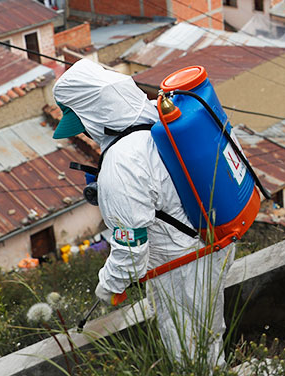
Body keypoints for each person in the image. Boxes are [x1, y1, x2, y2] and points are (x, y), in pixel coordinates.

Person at [52, 58, 233, 366]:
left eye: (82, 123)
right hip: (212, 243)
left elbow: (131, 251)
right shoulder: (154, 115)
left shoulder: (121, 163)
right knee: (210, 335)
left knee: (190, 353)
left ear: (93, 113)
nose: (85, 133)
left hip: (181, 266)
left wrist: (110, 285)